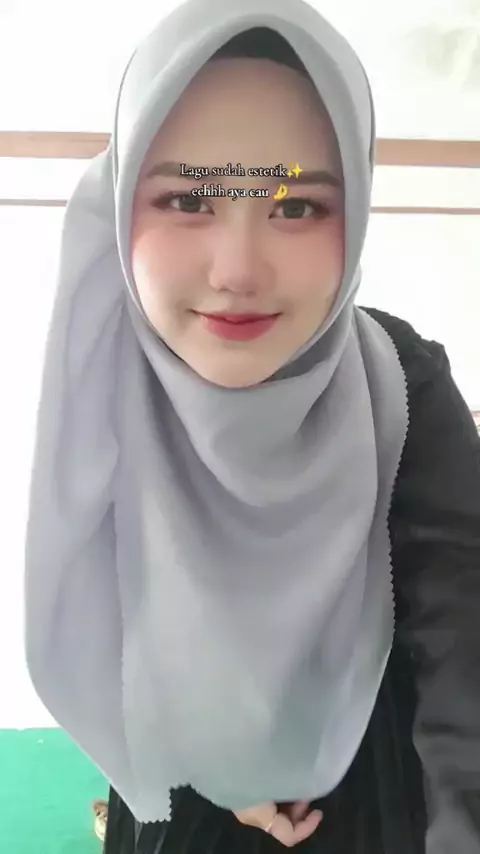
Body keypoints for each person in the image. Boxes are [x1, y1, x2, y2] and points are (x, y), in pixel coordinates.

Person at [24, 0, 480, 851]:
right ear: (119, 203)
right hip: (178, 790)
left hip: (366, 788)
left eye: (297, 206)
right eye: (188, 198)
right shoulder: (104, 383)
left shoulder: (398, 382)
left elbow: (466, 636)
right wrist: (213, 764)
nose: (237, 271)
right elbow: (103, 618)